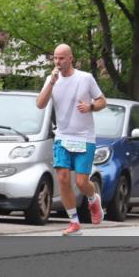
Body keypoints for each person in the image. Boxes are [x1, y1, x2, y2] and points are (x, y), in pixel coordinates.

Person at [35, 44, 107, 236]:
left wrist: (91, 106)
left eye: (62, 58)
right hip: (63, 136)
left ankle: (93, 199)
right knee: (63, 179)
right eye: (55, 58)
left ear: (71, 58)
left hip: (84, 137)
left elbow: (102, 101)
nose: (58, 62)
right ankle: (74, 222)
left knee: (82, 183)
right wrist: (51, 83)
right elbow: (40, 104)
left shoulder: (85, 78)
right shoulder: (52, 80)